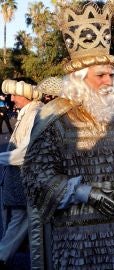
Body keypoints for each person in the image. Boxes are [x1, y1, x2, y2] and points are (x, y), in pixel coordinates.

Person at [21, 2, 114, 269]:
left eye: (111, 74)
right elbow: (36, 176)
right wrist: (86, 193)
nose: (110, 81)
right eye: (101, 75)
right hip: (76, 243)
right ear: (79, 78)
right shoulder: (55, 118)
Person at [0, 79, 44, 267]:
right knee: (21, 222)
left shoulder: (34, 114)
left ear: (26, 96)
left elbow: (27, 152)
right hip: (21, 182)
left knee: (23, 223)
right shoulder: (27, 112)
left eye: (15, 95)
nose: (11, 98)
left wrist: (1, 158)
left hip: (27, 183)